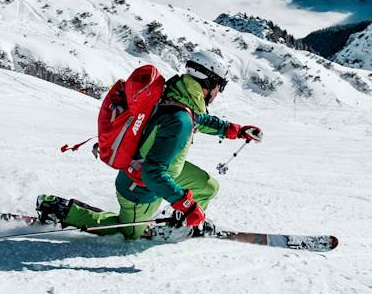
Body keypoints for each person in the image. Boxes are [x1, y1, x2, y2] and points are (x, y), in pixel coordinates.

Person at [36, 51, 262, 240]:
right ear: (209, 83)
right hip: (139, 186)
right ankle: (63, 211)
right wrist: (187, 206)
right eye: (219, 86)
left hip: (166, 168)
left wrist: (237, 131)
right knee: (128, 233)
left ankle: (180, 227)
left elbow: (200, 120)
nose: (218, 93)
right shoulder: (179, 119)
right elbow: (153, 174)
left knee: (208, 187)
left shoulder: (176, 95)